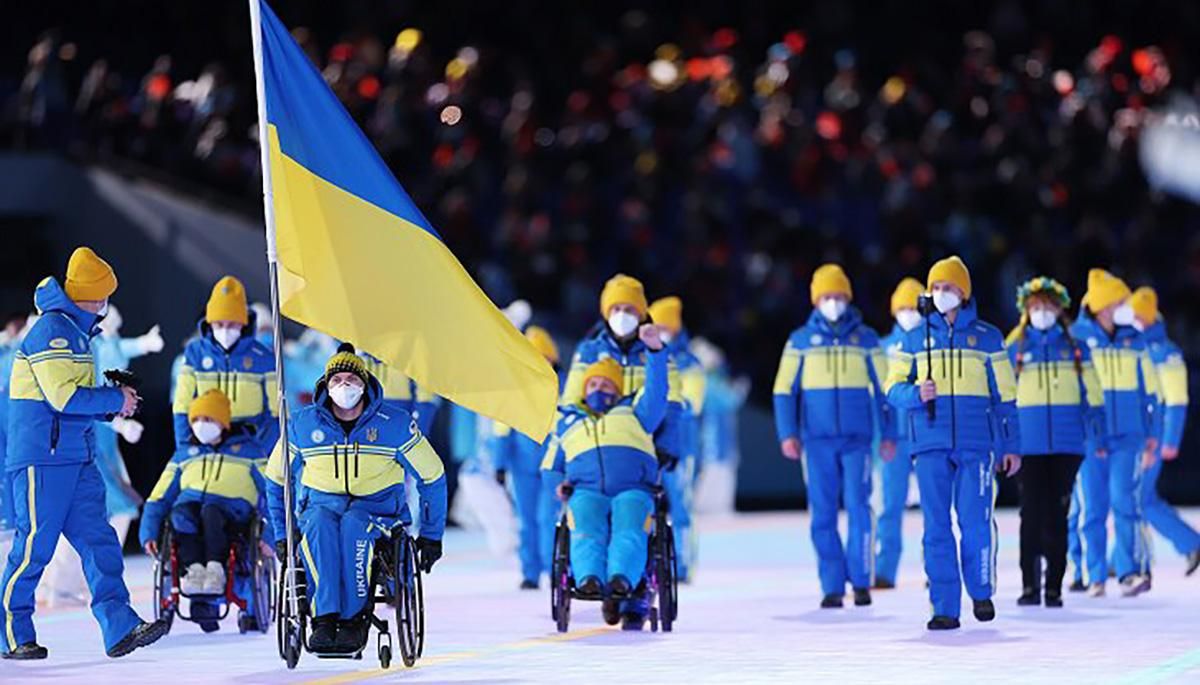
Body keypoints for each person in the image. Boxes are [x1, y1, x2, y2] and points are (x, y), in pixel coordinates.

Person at [1, 247, 168, 659]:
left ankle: (120, 627)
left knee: (100, 542)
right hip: (43, 459)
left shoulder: (78, 334)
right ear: (92, 296)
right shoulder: (51, 332)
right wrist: (113, 398)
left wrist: (116, 406)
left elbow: (79, 400)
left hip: (74, 455)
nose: (106, 304)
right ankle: (10, 630)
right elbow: (64, 397)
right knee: (35, 546)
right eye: (104, 295)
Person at [265, 344, 447, 654]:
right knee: (320, 525)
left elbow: (432, 475)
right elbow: (276, 479)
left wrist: (431, 535)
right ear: (325, 386)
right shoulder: (302, 425)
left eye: (351, 379)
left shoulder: (396, 424)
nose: (344, 386)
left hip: (377, 509)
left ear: (365, 384)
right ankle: (323, 618)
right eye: (336, 380)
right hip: (321, 505)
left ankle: (352, 619)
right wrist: (282, 534)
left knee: (354, 525)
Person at [884, 256, 1021, 630]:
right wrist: (915, 393)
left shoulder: (989, 337)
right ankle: (944, 606)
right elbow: (891, 388)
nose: (941, 293)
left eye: (949, 287)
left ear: (964, 292)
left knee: (975, 521)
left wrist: (1010, 445)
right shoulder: (913, 339)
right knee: (936, 526)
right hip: (929, 444)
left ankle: (980, 589)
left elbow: (1006, 397)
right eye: (937, 287)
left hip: (977, 446)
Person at [774, 264, 895, 608]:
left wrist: (890, 434)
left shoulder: (866, 339)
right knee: (823, 513)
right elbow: (783, 390)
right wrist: (788, 433)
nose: (833, 302)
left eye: (838, 296)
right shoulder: (800, 341)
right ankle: (831, 585)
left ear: (848, 297)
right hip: (816, 442)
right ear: (815, 300)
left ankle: (860, 581)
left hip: (858, 441)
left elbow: (886, 389)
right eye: (826, 296)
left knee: (859, 508)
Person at [543, 323, 669, 631]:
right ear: (584, 389)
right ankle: (589, 579)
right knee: (584, 523)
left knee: (630, 523)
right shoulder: (568, 422)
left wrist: (654, 351)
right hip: (586, 490)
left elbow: (657, 390)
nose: (599, 389)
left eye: (607, 385)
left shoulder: (637, 413)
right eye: (594, 384)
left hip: (633, 488)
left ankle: (621, 579)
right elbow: (550, 465)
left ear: (617, 390)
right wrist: (557, 485)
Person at [39, 304, 163, 608]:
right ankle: (61, 583)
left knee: (110, 513)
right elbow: (79, 398)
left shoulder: (103, 348)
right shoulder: (82, 350)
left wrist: (145, 344)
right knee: (88, 514)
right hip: (86, 444)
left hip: (103, 446)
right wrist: (120, 422)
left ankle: (77, 582)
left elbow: (120, 353)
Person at [1006, 277, 1106, 607]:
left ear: (1060, 309)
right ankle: (1030, 586)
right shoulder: (1016, 347)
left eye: (1048, 306)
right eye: (1035, 307)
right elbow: (1003, 398)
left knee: (1058, 515)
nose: (1042, 313)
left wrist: (1098, 435)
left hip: (1067, 445)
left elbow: (1094, 396)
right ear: (1026, 310)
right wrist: (1004, 442)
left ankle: (1054, 587)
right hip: (1028, 448)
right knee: (1031, 514)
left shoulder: (1076, 347)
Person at [139, 390, 270, 633]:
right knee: (180, 515)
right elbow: (158, 497)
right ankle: (195, 571)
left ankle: (216, 569)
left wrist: (270, 536)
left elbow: (272, 495)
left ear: (223, 422)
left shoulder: (250, 453)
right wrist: (148, 533)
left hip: (234, 515)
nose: (201, 426)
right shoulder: (185, 455)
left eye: (208, 420)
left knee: (211, 511)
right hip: (192, 511)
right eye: (196, 420)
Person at [1068, 269, 1159, 597]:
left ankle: (1129, 573)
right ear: (1103, 305)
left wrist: (1153, 432)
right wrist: (1089, 435)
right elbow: (1074, 391)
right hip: (1091, 439)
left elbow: (1152, 388)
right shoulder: (1076, 337)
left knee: (1125, 502)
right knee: (1092, 507)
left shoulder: (1134, 338)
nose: (1126, 306)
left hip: (1129, 436)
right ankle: (1093, 574)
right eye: (1120, 301)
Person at [1129, 287, 1200, 575]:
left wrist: (1170, 439)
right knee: (1131, 497)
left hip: (1153, 437)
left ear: (1145, 318)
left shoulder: (1166, 354)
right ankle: (1123, 558)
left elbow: (1177, 400)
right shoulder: (1133, 347)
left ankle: (1188, 543)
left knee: (1139, 498)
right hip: (1133, 436)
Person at [172, 275, 279, 451]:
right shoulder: (195, 353)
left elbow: (275, 411)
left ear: (243, 324)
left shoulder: (262, 356)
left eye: (232, 324)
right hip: (206, 439)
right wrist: (186, 447)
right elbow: (182, 404)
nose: (225, 330)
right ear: (209, 323)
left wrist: (264, 450)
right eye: (219, 324)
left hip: (251, 442)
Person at [491, 326, 562, 589]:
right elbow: (502, 428)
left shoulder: (562, 389)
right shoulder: (514, 392)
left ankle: (555, 568)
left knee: (548, 518)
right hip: (522, 467)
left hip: (553, 467)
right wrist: (499, 464)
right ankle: (531, 572)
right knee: (526, 519)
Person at [648, 296, 704, 582]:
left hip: (681, 447)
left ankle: (682, 564)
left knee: (681, 506)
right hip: (649, 444)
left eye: (665, 327)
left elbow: (690, 403)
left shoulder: (689, 363)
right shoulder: (645, 357)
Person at [875, 277, 924, 589]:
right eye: (902, 308)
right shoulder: (882, 349)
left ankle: (935, 569)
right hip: (895, 440)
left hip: (926, 436)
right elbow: (878, 398)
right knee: (890, 506)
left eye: (913, 307)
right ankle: (884, 570)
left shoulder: (931, 343)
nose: (908, 313)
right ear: (894, 311)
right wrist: (884, 436)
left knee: (934, 506)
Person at [690, 336, 749, 515]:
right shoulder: (705, 380)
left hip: (722, 439)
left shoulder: (716, 376)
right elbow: (729, 400)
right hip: (711, 442)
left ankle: (721, 508)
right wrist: (741, 389)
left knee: (723, 472)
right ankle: (708, 508)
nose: (715, 358)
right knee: (714, 473)